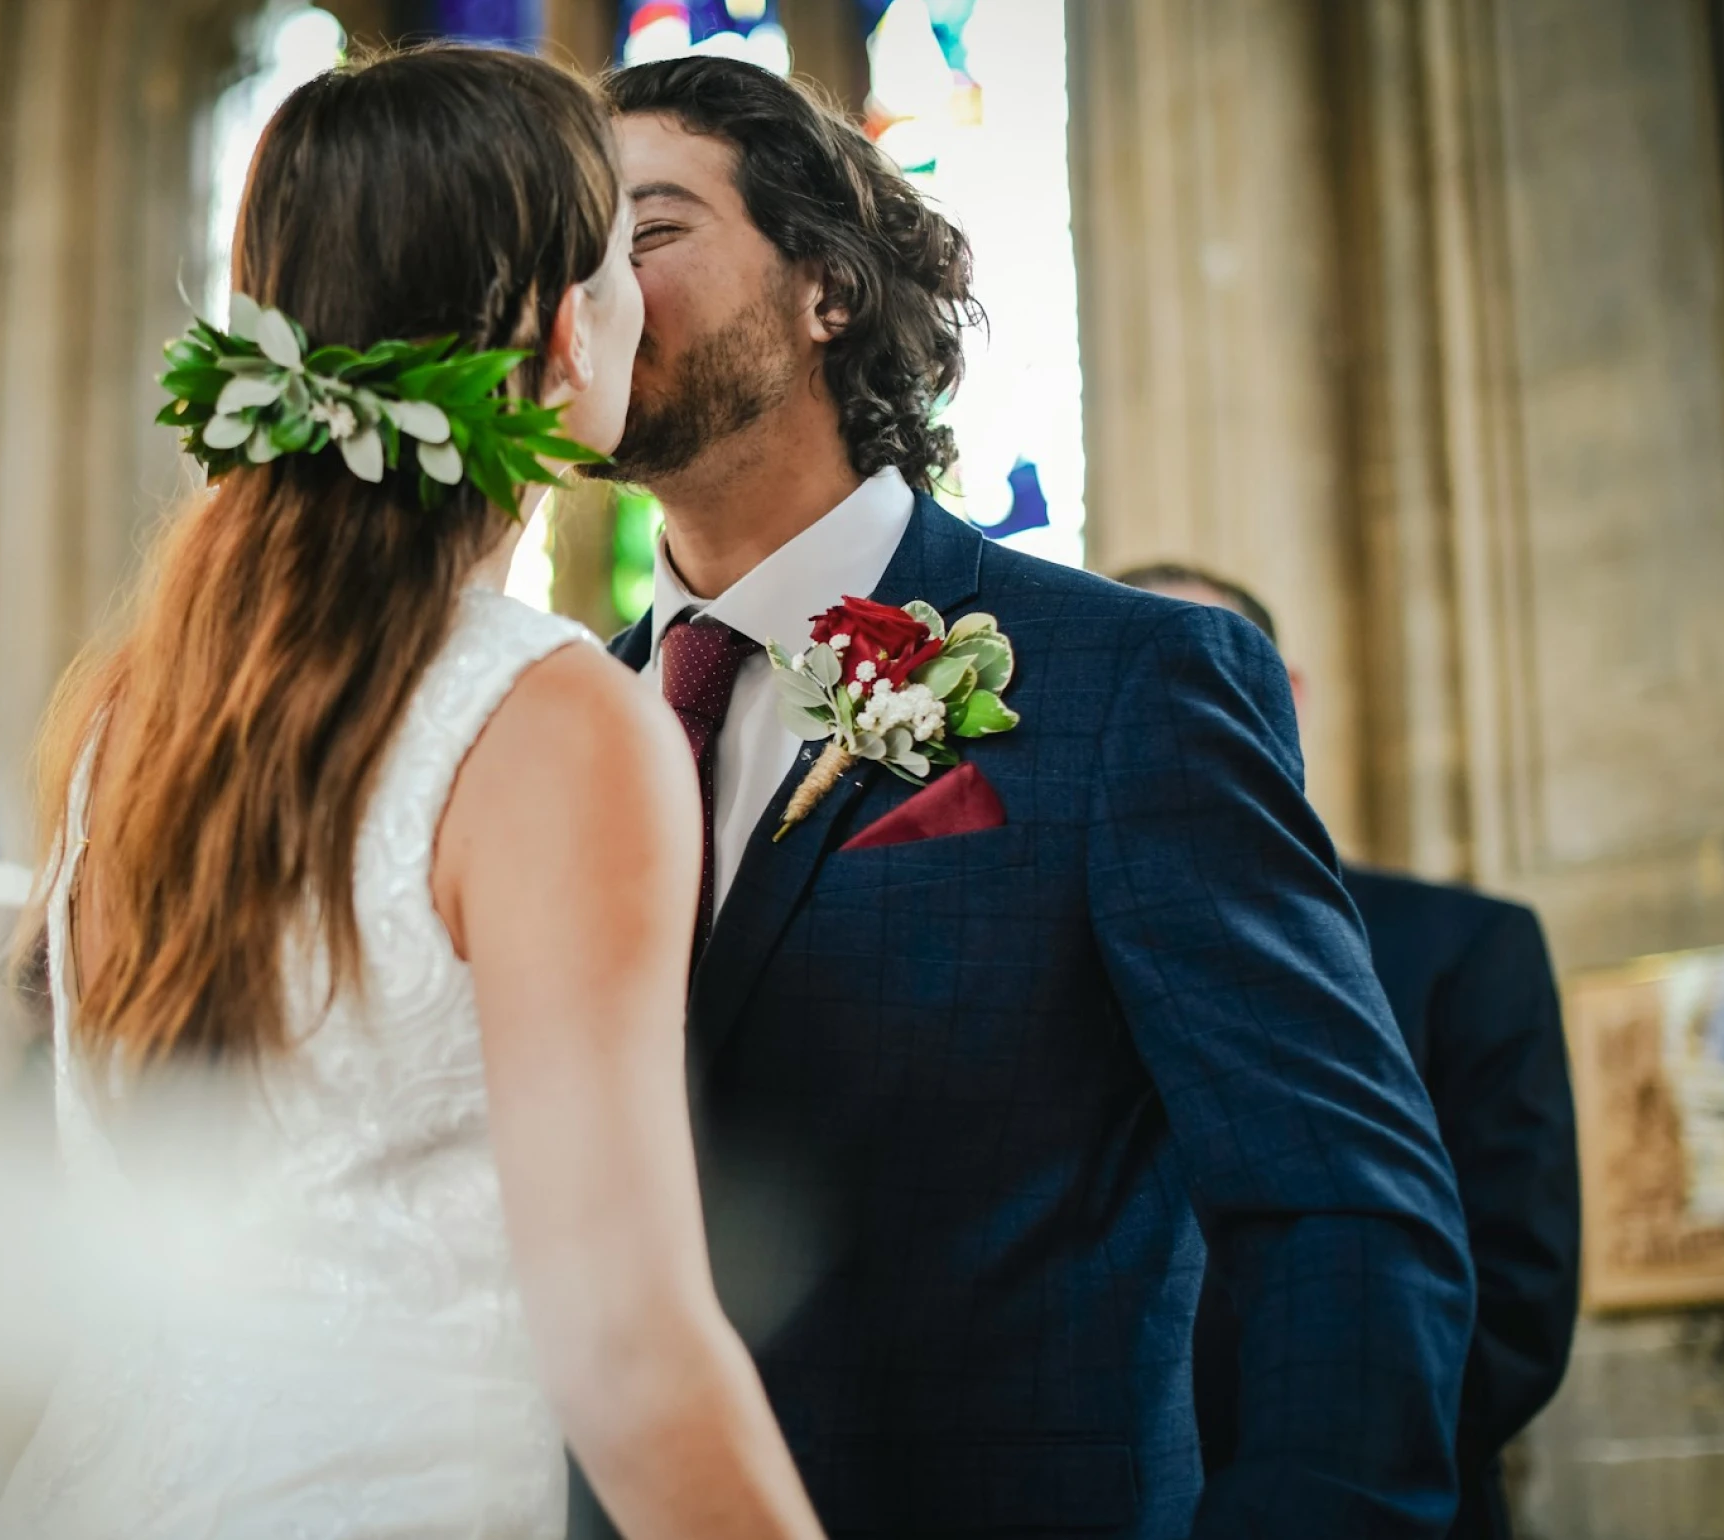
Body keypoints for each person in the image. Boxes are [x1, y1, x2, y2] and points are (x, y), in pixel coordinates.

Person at [574, 56, 1473, 1538]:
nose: (592, 288)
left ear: (830, 291)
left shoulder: (1128, 680)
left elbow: (1340, 1207)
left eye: (650, 231)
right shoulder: (559, 731)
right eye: (570, 249)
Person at [0, 47, 823, 1540]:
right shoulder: (551, 719)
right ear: (571, 337)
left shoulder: (142, 701)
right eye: (620, 257)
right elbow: (627, 1353)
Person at [1116, 561, 1581, 1540]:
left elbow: (1514, 1297)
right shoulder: (1053, 954)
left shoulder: (1463, 948)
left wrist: (1313, 1495)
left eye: (1200, 676)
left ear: (1286, 699)